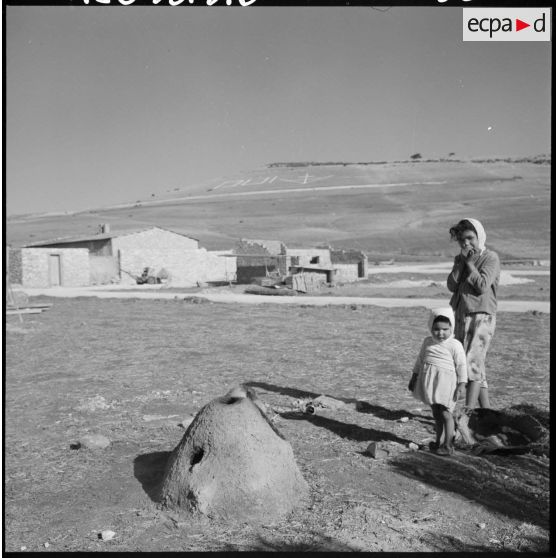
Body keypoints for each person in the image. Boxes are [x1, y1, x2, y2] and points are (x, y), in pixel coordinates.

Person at [447, 218, 500, 409]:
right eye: (462, 239)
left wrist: (470, 265)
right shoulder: (460, 259)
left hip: (482, 316)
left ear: (480, 236)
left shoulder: (490, 257)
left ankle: (468, 414)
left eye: (470, 238)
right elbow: (452, 286)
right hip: (461, 315)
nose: (466, 243)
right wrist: (461, 264)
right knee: (471, 363)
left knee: (473, 364)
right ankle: (486, 413)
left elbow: (482, 286)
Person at [408, 307, 467, 456]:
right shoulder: (427, 342)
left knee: (446, 414)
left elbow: (461, 366)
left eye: (445, 329)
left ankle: (448, 444)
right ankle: (438, 442)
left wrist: (462, 384)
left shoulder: (455, 345)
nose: (440, 333)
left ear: (451, 327)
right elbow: (420, 360)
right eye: (436, 329)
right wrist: (414, 377)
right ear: (430, 327)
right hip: (431, 384)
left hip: (447, 384)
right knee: (436, 413)